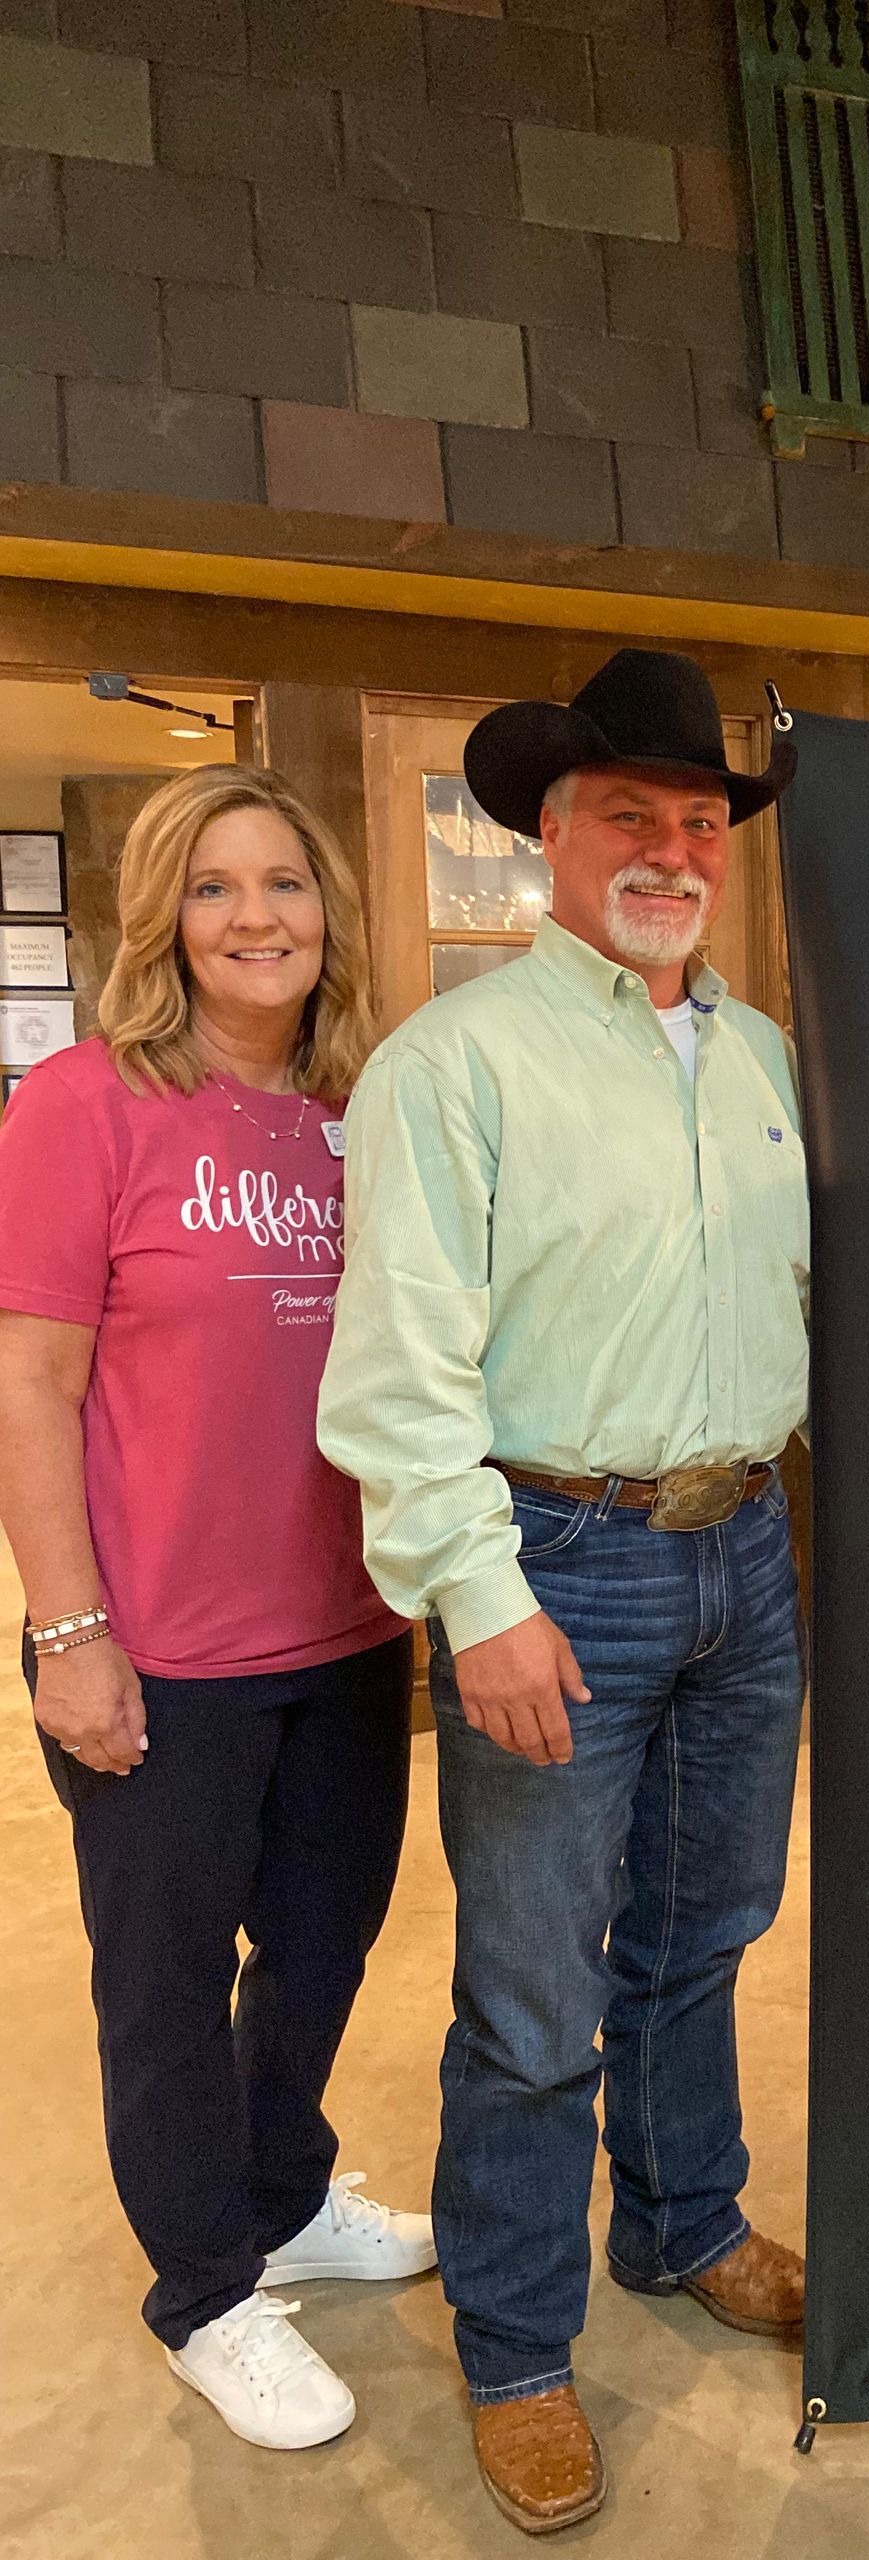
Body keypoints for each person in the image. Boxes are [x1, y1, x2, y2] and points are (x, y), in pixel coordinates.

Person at [318, 648, 809, 2535]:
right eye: (630, 814)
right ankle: (517, 2347)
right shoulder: (456, 1066)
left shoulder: (756, 1055)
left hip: (743, 1555)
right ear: (549, 836)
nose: (671, 847)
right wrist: (479, 1598)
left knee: (707, 1929)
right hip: (560, 1566)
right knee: (536, 1990)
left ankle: (684, 2222)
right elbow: (399, 1371)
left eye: (698, 819)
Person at [0, 767, 435, 2455]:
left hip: (347, 1626)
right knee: (165, 1981)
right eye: (214, 887)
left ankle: (281, 2191)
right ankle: (204, 2290)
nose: (258, 917)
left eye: (286, 884)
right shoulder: (84, 1106)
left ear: (330, 911)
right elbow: (30, 1388)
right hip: (161, 1644)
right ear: (162, 922)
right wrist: (66, 1633)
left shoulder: (365, 1111)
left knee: (324, 1947)